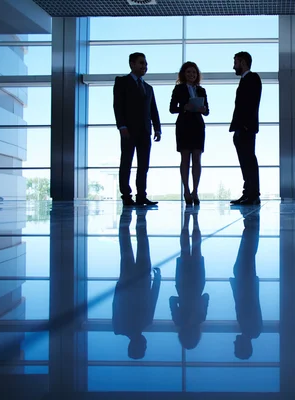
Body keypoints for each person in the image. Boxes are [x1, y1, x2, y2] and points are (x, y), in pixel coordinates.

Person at [113, 52, 162, 207]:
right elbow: (118, 105)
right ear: (132, 64)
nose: (144, 67)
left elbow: (153, 110)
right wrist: (122, 126)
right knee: (126, 162)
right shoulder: (122, 82)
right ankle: (126, 195)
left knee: (143, 165)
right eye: (141, 63)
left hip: (145, 131)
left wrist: (157, 129)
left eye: (145, 64)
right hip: (128, 130)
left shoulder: (148, 88)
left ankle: (141, 195)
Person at [112, 208, 161, 359]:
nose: (146, 344)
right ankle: (126, 215)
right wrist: (119, 285)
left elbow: (152, 299)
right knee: (125, 244)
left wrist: (157, 280)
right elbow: (116, 304)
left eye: (144, 347)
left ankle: (140, 215)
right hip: (126, 281)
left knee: (142, 243)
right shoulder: (118, 328)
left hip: (143, 280)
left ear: (139, 346)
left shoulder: (145, 323)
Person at [169, 61, 210, 206]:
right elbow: (172, 108)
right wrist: (185, 107)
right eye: (188, 72)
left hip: (198, 126)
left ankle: (195, 191)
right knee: (185, 158)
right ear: (183, 74)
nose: (191, 75)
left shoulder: (201, 90)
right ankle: (186, 190)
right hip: (184, 125)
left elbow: (207, 111)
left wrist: (203, 109)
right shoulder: (178, 89)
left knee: (197, 159)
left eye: (194, 72)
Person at [170, 209, 209, 350]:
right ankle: (187, 222)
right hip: (183, 284)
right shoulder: (178, 321)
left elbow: (205, 297)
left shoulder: (200, 318)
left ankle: (194, 220)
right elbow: (172, 300)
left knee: (197, 248)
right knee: (185, 249)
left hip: (197, 283)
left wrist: (195, 303)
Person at [229, 51, 262, 206]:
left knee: (248, 160)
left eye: (235, 62)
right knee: (245, 161)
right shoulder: (244, 80)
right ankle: (248, 192)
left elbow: (251, 103)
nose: (234, 65)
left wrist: (245, 125)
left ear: (242, 62)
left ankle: (253, 194)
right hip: (241, 127)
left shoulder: (252, 78)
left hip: (246, 127)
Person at [230, 208, 262, 359]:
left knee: (248, 252)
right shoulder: (250, 329)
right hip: (245, 283)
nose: (234, 343)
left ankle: (252, 224)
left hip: (247, 283)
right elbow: (245, 302)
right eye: (236, 347)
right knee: (247, 252)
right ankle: (252, 223)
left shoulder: (252, 330)